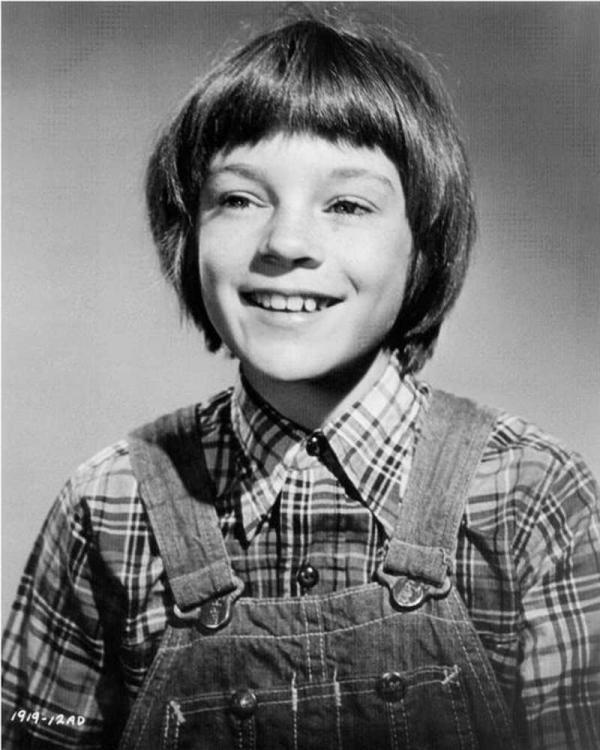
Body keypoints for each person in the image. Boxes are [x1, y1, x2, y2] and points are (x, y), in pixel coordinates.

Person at [2, 16, 599, 750]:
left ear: (423, 247)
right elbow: (36, 729)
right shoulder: (108, 508)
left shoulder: (531, 500)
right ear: (188, 237)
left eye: (347, 205)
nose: (285, 243)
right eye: (240, 199)